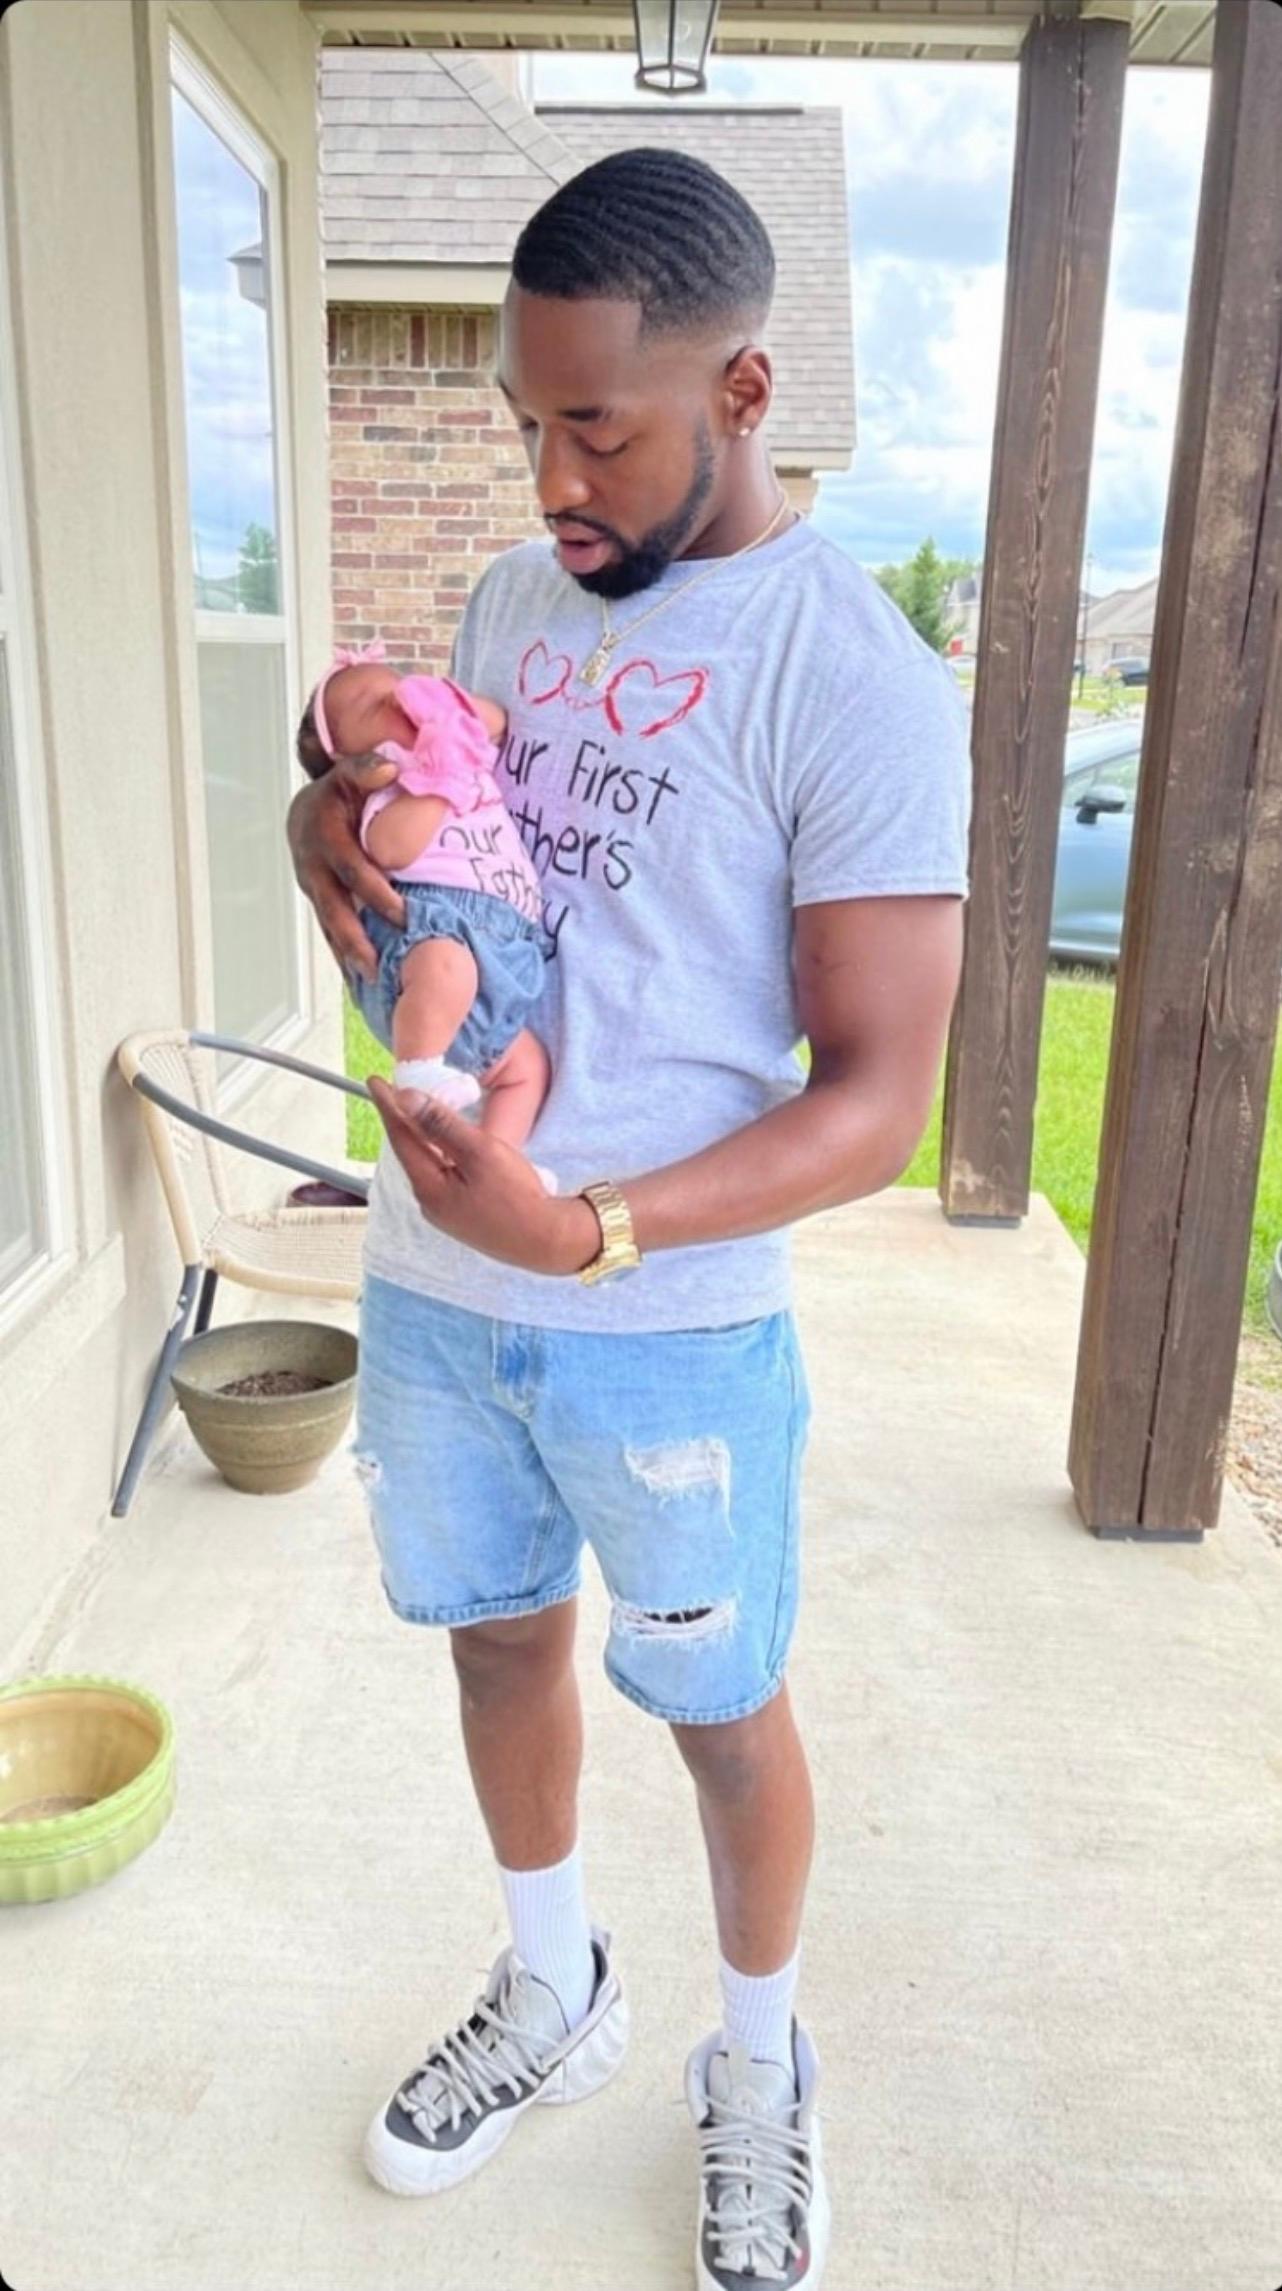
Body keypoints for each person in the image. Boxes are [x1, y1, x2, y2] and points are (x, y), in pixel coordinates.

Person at [288, 145, 969, 2291]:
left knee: (717, 1703)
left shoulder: (852, 678)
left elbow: (874, 1103)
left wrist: (588, 1228)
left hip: (663, 1318)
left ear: (743, 388)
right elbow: (456, 852)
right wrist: (326, 815)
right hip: (434, 1285)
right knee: (496, 1637)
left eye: (597, 426)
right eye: (527, 422)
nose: (551, 478)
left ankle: (756, 2065)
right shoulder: (510, 602)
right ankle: (550, 1979)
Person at [295, 645, 553, 1159]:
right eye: (373, 706)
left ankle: (493, 1163)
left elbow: (497, 720)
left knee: (526, 1068)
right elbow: (392, 848)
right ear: (353, 760)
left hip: (502, 958)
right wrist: (439, 779)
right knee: (446, 964)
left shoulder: (459, 758)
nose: (398, 698)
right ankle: (417, 1075)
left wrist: (448, 713)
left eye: (398, 683)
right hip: (432, 945)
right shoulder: (393, 790)